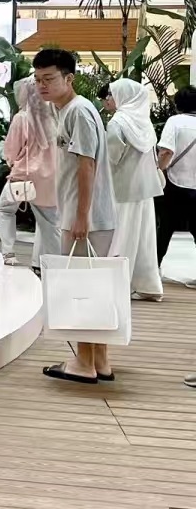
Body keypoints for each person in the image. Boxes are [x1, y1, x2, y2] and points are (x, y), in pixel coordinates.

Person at [33, 48, 118, 384]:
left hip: (86, 216)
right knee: (93, 286)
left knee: (82, 288)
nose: (42, 85)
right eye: (38, 79)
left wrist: (81, 216)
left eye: (49, 78)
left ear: (69, 78)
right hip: (87, 213)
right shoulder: (69, 110)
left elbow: (86, 165)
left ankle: (84, 362)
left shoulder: (78, 111)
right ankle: (99, 359)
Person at [103, 79, 164, 302]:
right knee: (144, 239)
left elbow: (111, 158)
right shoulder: (144, 122)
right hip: (145, 189)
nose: (107, 100)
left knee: (120, 236)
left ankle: (115, 286)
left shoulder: (118, 122)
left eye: (110, 95)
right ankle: (149, 285)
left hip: (121, 188)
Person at [0, 77, 60, 270]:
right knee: (49, 222)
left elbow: (11, 150)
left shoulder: (22, 118)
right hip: (49, 176)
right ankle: (51, 262)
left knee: (4, 210)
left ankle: (8, 252)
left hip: (24, 175)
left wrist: (11, 161)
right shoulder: (53, 116)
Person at [156, 82, 196, 278]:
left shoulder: (175, 122)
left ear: (179, 104)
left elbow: (166, 151)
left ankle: (154, 271)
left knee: (165, 228)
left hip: (174, 183)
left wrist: (159, 169)